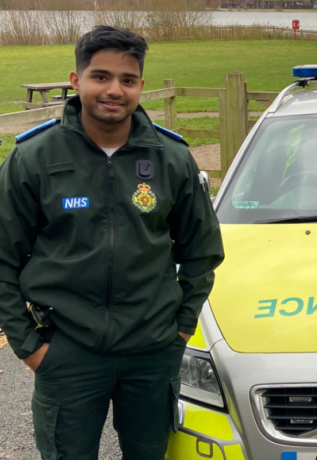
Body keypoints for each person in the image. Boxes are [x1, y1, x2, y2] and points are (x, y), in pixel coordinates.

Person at [0, 25, 224, 460]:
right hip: (67, 353)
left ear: (141, 85)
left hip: (152, 354)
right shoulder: (33, 158)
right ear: (76, 79)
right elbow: (3, 257)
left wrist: (179, 329)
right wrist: (29, 346)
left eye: (127, 79)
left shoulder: (170, 157)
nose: (114, 90)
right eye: (100, 76)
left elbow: (202, 251)